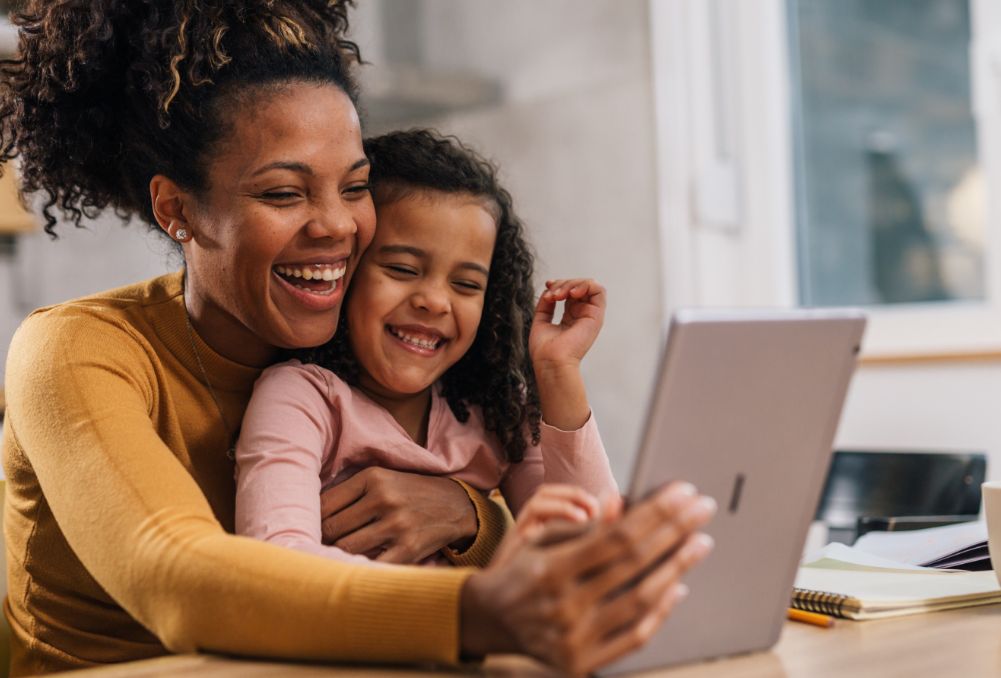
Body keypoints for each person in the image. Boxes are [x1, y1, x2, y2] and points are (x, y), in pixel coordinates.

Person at [0, 1, 716, 676]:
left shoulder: (351, 347)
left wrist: (467, 517)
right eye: (283, 193)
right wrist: (480, 604)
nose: (337, 226)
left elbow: (522, 489)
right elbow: (177, 574)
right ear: (177, 208)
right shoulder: (75, 351)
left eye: (354, 186)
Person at [235, 129, 618, 564]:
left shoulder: (496, 413)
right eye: (402, 268)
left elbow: (593, 558)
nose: (434, 301)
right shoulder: (301, 398)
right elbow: (278, 564)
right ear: (347, 271)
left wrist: (556, 370)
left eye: (466, 284)